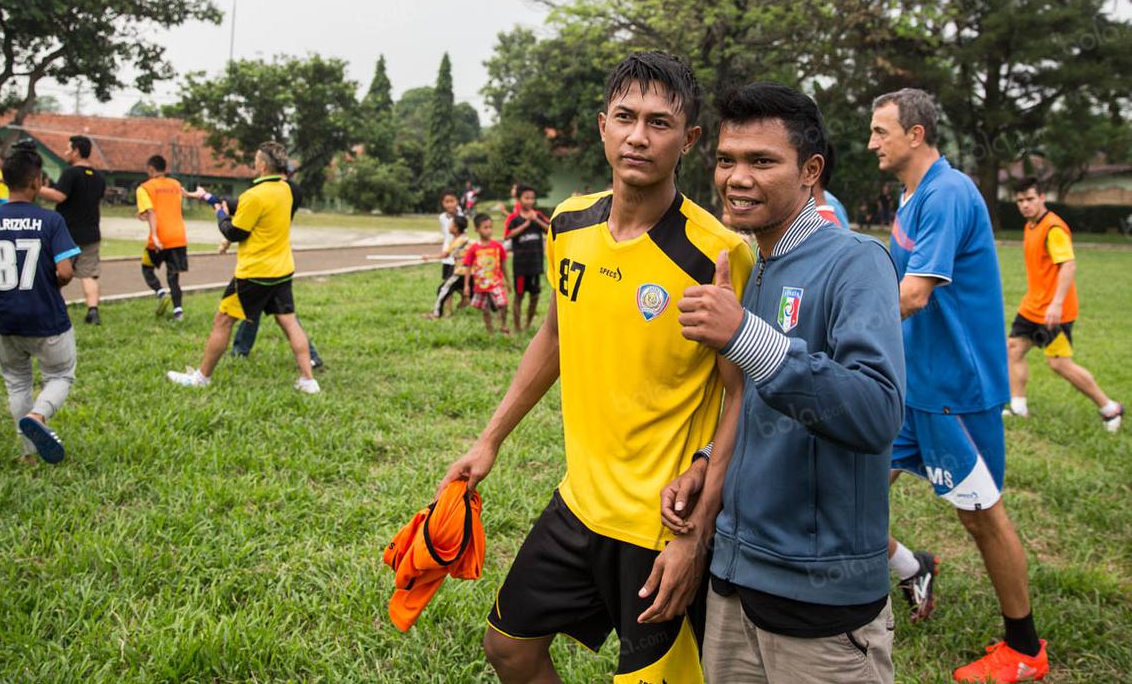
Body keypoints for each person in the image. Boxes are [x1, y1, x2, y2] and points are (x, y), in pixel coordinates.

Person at [439, 51, 753, 683]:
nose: (639, 136)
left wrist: (697, 533)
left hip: (661, 523)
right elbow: (554, 336)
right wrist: (489, 439)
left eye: (659, 123)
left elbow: (743, 398)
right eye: (625, 117)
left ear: (689, 139)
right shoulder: (569, 224)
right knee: (509, 647)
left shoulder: (716, 253)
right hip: (579, 504)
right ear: (602, 125)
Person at [661, 82, 905, 684]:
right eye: (726, 160)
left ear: (810, 172)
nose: (736, 178)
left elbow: (876, 412)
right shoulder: (755, 266)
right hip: (732, 582)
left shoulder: (856, 261)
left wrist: (745, 334)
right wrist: (706, 460)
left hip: (819, 603)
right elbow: (755, 404)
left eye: (761, 161)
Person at [869, 88, 1049, 682]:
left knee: (981, 517)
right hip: (913, 386)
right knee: (853, 483)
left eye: (881, 132)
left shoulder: (947, 193)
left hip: (955, 390)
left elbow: (916, 293)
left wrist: (841, 331)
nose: (872, 143)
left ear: (915, 135)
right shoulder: (912, 192)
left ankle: (1024, 648)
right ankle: (907, 567)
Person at [0, 141, 77, 466]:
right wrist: (58, 280)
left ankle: (28, 455)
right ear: (37, 182)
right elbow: (65, 270)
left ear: (4, 180)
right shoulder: (52, 222)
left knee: (17, 381)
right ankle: (39, 415)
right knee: (61, 375)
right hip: (47, 317)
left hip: (5, 321)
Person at [166, 141, 319, 394]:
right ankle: (308, 380)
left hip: (254, 274)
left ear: (261, 165)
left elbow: (234, 231)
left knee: (222, 321)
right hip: (281, 271)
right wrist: (207, 196)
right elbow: (239, 204)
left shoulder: (255, 195)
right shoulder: (287, 191)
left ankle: (201, 378)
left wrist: (219, 214)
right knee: (290, 323)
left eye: (255, 160)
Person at [1005, 177, 1122, 431]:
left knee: (1059, 364)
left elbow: (1068, 265)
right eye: (1020, 201)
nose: (1025, 205)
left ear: (1042, 198)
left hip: (1053, 311)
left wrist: (1056, 305)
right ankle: (1018, 406)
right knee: (1013, 349)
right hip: (1032, 306)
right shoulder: (1031, 226)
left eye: (1030, 199)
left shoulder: (1053, 228)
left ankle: (1110, 408)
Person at [39, 135, 106, 325]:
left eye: (68, 149)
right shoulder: (99, 177)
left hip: (66, 234)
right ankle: (93, 311)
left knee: (57, 271)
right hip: (91, 233)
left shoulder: (71, 173)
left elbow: (59, 196)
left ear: (76, 151)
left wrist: (36, 189)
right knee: (89, 273)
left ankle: (50, 307)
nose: (65, 152)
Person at [136, 155, 190, 321]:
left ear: (151, 169)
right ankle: (178, 311)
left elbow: (151, 211)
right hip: (178, 237)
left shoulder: (144, 188)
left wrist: (154, 235)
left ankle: (160, 293)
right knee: (173, 276)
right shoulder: (175, 184)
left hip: (159, 238)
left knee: (146, 268)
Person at [503, 184, 550, 332]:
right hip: (520, 266)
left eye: (532, 198)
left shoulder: (538, 215)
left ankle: (528, 325)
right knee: (519, 296)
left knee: (535, 296)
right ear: (519, 199)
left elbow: (551, 230)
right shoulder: (513, 218)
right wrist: (526, 224)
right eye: (526, 198)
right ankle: (517, 327)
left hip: (536, 265)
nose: (529, 201)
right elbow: (508, 235)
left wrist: (536, 220)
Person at [461, 213, 509, 335]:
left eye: (490, 227)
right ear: (477, 229)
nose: (489, 230)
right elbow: (468, 267)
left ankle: (503, 324)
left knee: (503, 304)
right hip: (481, 285)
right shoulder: (473, 248)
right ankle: (490, 331)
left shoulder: (498, 246)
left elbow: (503, 265)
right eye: (485, 227)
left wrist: (508, 281)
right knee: (485, 309)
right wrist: (466, 285)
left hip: (496, 283)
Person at [423, 214, 471, 319]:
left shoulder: (457, 241)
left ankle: (436, 314)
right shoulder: (464, 239)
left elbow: (444, 255)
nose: (449, 226)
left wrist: (429, 257)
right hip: (470, 271)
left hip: (461, 272)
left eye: (451, 224)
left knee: (442, 289)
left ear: (456, 228)